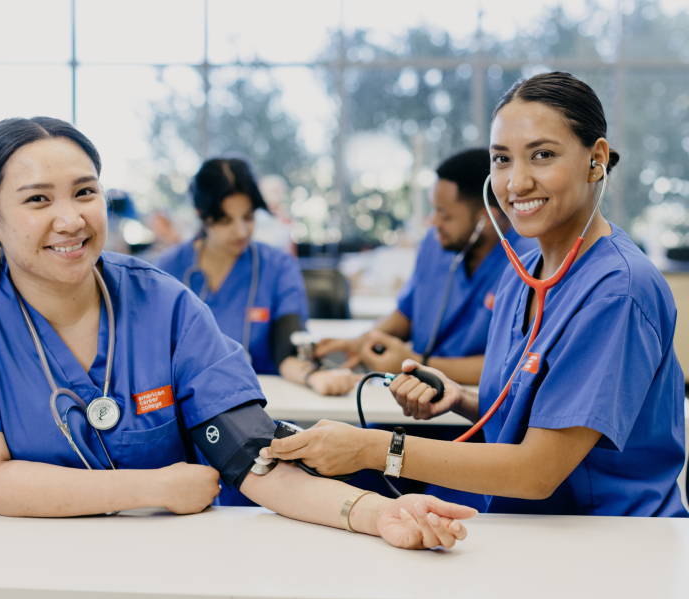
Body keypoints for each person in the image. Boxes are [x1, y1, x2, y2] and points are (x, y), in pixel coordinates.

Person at [0, 117, 474, 549]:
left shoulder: (161, 300)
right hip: (16, 556)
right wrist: (156, 487)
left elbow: (252, 458)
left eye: (85, 192)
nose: (70, 219)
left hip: (170, 559)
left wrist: (372, 513)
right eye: (37, 200)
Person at [262, 72, 688, 517]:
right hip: (527, 525)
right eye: (502, 159)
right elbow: (537, 414)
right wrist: (461, 400)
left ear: (596, 159)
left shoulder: (618, 291)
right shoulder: (523, 269)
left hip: (613, 541)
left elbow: (537, 471)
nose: (517, 182)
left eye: (542, 155)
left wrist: (375, 448)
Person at [315, 148, 537, 385]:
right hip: (414, 393)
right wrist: (362, 342)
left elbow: (512, 365)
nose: (433, 222)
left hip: (474, 406)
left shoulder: (531, 263)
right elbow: (407, 314)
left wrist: (416, 363)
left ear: (485, 219)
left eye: (444, 214)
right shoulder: (435, 243)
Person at [157, 158, 359, 396]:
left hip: (261, 406)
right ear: (202, 215)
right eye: (226, 221)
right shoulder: (166, 269)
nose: (241, 231)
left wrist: (315, 376)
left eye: (248, 217)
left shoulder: (278, 267)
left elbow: (288, 351)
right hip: (188, 405)